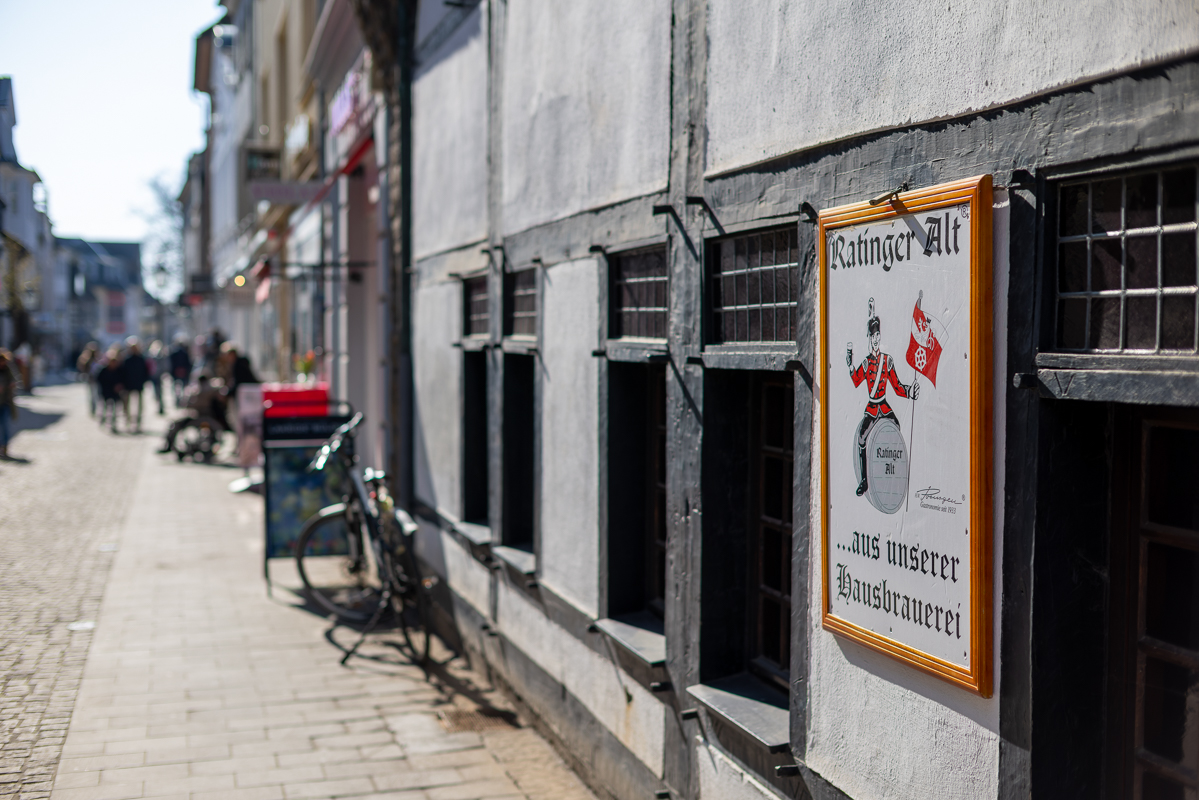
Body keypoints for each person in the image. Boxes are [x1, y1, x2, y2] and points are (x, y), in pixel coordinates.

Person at [847, 297, 919, 497]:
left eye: (878, 335)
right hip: (872, 407)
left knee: (895, 426)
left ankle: (890, 473)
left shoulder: (887, 361)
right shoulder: (866, 363)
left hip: (884, 406)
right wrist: (850, 365)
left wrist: (909, 392)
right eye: (873, 336)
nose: (876, 338)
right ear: (869, 338)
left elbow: (896, 386)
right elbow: (856, 380)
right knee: (862, 437)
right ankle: (865, 480)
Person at [158, 373, 228, 454]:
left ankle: (169, 445)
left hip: (200, 416)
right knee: (175, 424)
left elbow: (188, 404)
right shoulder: (208, 389)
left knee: (176, 424)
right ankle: (169, 444)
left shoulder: (203, 390)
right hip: (198, 415)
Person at [120, 337, 150, 433]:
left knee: (139, 405)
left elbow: (146, 371)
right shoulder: (126, 359)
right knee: (127, 405)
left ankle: (138, 423)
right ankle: (128, 422)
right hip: (128, 385)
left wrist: (144, 381)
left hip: (138, 385)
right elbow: (122, 372)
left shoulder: (141, 359)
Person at [95, 347, 124, 433]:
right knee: (105, 407)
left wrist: (119, 386)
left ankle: (113, 423)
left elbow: (122, 380)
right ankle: (103, 420)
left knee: (114, 409)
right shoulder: (103, 370)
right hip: (106, 392)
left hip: (115, 393)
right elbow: (99, 380)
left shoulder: (119, 370)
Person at [0, 349, 18, 459]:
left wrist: (11, 385)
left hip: (5, 402)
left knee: (5, 425)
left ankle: (5, 446)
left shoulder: (8, 370)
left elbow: (14, 381)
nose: (3, 363)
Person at [168, 336, 193, 407]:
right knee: (182, 387)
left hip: (177, 372)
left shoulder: (174, 353)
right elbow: (188, 363)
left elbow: (171, 364)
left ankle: (178, 399)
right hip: (182, 372)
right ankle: (181, 400)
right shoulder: (185, 353)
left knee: (177, 387)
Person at [76, 342, 100, 416]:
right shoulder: (86, 359)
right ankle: (93, 408)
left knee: (95, 394)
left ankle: (95, 408)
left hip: (97, 379)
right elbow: (81, 368)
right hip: (91, 379)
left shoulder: (98, 359)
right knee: (93, 394)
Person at [148, 339, 168, 415]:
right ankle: (159, 406)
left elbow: (164, 365)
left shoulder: (159, 355)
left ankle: (161, 406)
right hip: (155, 375)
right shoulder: (152, 355)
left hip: (158, 375)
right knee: (157, 392)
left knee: (159, 392)